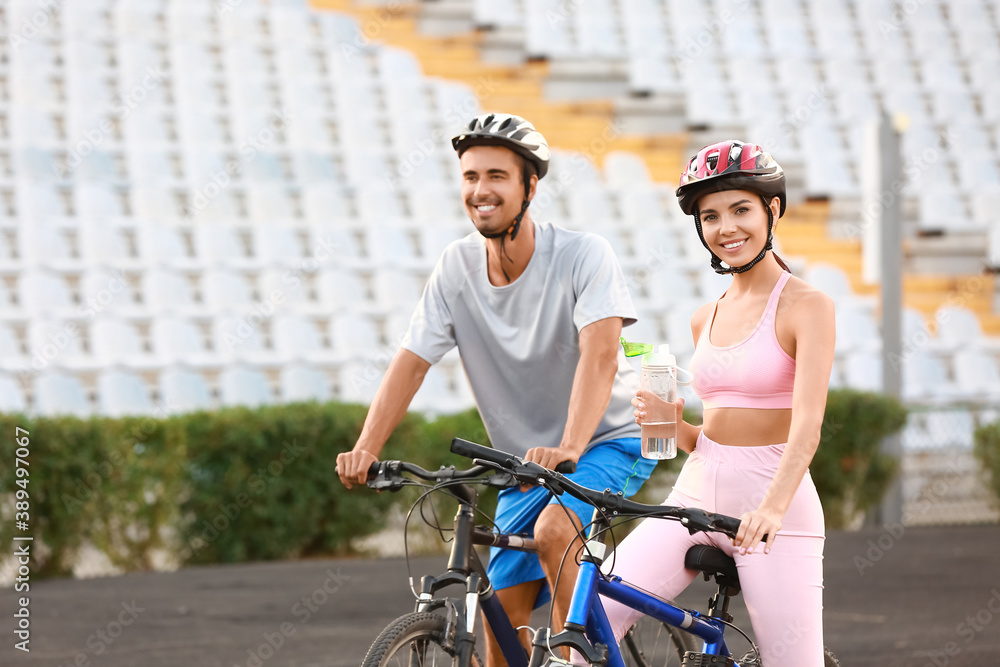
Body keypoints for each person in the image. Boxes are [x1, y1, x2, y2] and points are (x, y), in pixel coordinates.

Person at [336, 113, 657, 667]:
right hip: (527, 462)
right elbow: (412, 362)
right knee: (497, 627)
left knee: (557, 528)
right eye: (469, 176)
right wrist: (367, 446)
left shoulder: (583, 255)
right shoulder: (455, 267)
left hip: (611, 438)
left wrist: (573, 446)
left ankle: (579, 661)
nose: (480, 190)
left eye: (496, 176)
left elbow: (601, 353)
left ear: (530, 186)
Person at [601, 140, 835, 666]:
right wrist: (674, 425)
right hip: (695, 496)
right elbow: (709, 436)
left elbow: (808, 427)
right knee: (596, 611)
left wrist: (771, 507)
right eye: (711, 216)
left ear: (772, 210)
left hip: (775, 508)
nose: (726, 227)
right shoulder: (703, 316)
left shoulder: (808, 306)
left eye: (740, 209)